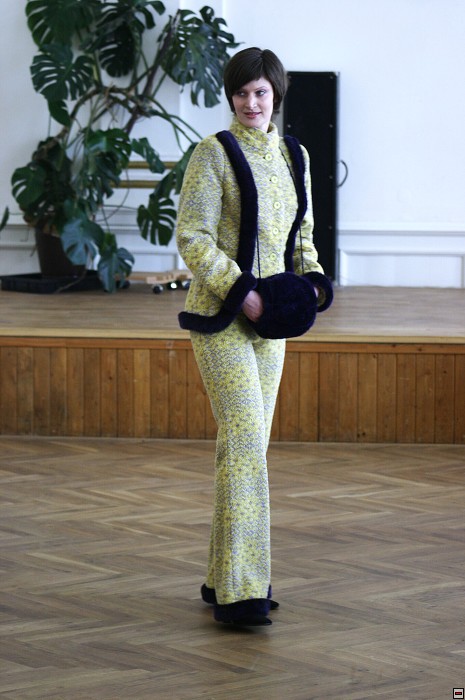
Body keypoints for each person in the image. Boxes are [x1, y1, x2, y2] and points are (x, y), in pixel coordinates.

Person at [176, 47, 333, 627]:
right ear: (231, 96)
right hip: (223, 318)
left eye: (260, 92)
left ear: (276, 95)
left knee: (245, 448)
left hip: (274, 324)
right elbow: (192, 236)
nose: (250, 102)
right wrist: (244, 294)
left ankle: (224, 578)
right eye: (241, 92)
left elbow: (302, 238)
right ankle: (244, 593)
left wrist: (312, 286)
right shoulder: (212, 154)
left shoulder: (296, 155)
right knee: (244, 441)